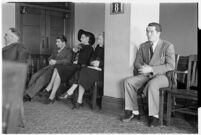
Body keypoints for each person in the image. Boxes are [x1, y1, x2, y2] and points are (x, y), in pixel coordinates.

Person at [122, 22, 175, 127]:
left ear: (158, 33)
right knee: (128, 82)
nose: (148, 34)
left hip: (163, 76)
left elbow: (171, 66)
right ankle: (134, 111)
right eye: (147, 31)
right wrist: (142, 68)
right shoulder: (143, 46)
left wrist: (151, 68)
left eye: (151, 32)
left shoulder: (167, 46)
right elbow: (137, 62)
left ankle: (154, 116)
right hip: (146, 75)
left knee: (153, 84)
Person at [41, 29, 95, 104]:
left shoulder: (89, 48)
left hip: (78, 68)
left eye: (82, 37)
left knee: (58, 68)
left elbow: (85, 62)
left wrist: (76, 56)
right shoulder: (81, 47)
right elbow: (72, 59)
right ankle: (51, 95)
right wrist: (74, 51)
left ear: (88, 39)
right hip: (73, 66)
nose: (80, 39)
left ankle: (50, 89)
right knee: (58, 67)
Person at [59, 33, 104, 109]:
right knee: (82, 73)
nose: (98, 41)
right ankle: (78, 101)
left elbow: (108, 61)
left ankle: (71, 92)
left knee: (82, 72)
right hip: (92, 69)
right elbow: (91, 58)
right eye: (97, 39)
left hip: (101, 72)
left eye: (99, 39)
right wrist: (92, 62)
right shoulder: (97, 48)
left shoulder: (107, 48)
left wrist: (100, 63)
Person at [24, 35, 73, 101]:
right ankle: (27, 92)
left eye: (58, 42)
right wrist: (50, 60)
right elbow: (50, 57)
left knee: (41, 79)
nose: (56, 43)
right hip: (49, 67)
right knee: (34, 76)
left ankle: (29, 95)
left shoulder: (69, 50)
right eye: (56, 41)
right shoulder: (56, 50)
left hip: (57, 70)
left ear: (63, 42)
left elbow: (67, 61)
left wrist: (56, 62)